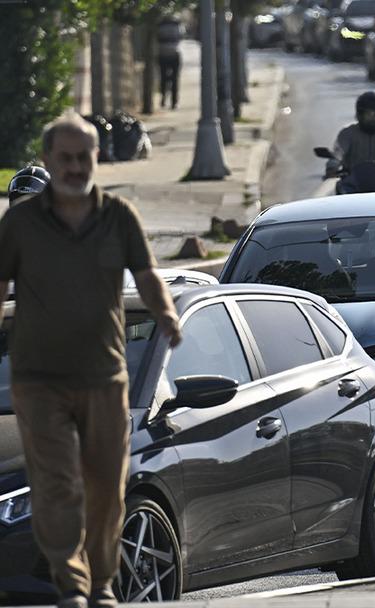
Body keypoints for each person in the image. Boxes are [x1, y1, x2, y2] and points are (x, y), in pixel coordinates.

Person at [0, 113, 182, 608]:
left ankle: (100, 583)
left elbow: (144, 277)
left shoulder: (114, 219)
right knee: (58, 486)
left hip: (101, 379)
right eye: (65, 158)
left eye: (84, 157)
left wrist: (166, 314)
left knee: (104, 491)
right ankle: (76, 585)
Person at [157, 16, 183, 109]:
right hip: (174, 53)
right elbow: (181, 36)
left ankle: (164, 99)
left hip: (163, 53)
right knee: (174, 79)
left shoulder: (160, 25)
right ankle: (173, 102)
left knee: (163, 78)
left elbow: (157, 37)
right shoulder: (177, 25)